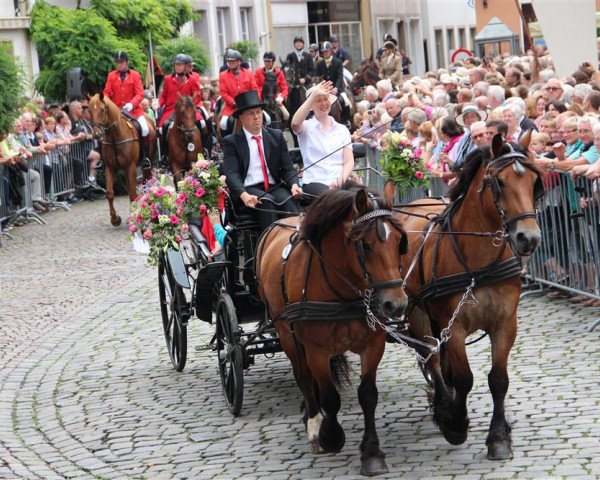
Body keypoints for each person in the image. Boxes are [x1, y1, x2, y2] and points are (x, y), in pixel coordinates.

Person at [222, 90, 302, 232]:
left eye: (258, 112)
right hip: (248, 188)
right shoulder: (231, 142)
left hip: (273, 186)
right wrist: (244, 195)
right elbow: (231, 173)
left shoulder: (276, 136)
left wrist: (294, 185)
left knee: (289, 200)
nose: (256, 117)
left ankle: (295, 241)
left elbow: (288, 167)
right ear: (241, 117)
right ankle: (269, 246)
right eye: (251, 113)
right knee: (266, 202)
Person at [291, 81, 354, 197]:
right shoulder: (305, 127)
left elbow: (348, 161)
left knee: (366, 198)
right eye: (318, 100)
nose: (324, 103)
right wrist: (313, 95)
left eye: (326, 99)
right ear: (310, 106)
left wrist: (340, 181)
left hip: (341, 182)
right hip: (314, 182)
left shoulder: (342, 129)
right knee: (335, 198)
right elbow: (295, 123)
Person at [103, 51, 151, 169]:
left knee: (145, 129)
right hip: (117, 112)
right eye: (117, 62)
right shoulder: (111, 75)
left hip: (134, 111)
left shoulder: (135, 75)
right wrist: (106, 102)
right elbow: (106, 92)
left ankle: (144, 158)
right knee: (103, 131)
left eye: (122, 62)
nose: (119, 65)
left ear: (126, 62)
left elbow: (139, 93)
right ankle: (102, 160)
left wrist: (132, 104)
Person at [153, 54, 202, 132]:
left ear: (186, 66)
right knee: (162, 128)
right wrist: (158, 103)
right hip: (171, 110)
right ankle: (163, 144)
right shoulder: (168, 79)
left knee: (202, 123)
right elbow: (164, 96)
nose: (177, 67)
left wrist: (189, 105)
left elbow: (197, 96)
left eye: (180, 65)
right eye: (176, 65)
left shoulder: (192, 79)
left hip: (188, 109)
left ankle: (208, 142)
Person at [218, 49, 258, 137]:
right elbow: (224, 93)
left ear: (239, 62)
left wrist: (252, 101)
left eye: (233, 61)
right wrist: (234, 102)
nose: (231, 63)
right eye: (229, 62)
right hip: (232, 107)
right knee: (223, 123)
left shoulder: (248, 73)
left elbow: (254, 89)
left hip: (249, 105)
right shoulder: (223, 75)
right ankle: (226, 144)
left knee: (268, 119)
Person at [69, 100, 101, 186]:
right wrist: (81, 137)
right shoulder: (70, 121)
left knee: (96, 156)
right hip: (72, 150)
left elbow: (83, 133)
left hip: (81, 148)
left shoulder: (79, 121)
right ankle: (70, 190)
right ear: (73, 111)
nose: (82, 110)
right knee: (72, 170)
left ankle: (91, 178)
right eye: (79, 108)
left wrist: (86, 136)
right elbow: (67, 134)